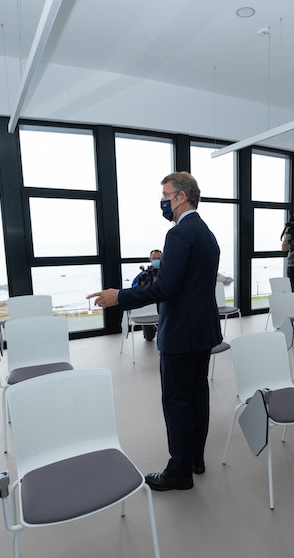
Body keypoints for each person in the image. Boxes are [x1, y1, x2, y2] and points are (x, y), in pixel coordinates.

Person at [87, 172, 222, 491]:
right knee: (198, 396)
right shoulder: (208, 234)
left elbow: (166, 288)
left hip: (180, 335)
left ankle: (179, 471)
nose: (162, 200)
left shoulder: (178, 235)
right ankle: (195, 458)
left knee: (176, 401)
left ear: (181, 197)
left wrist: (119, 296)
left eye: (165, 194)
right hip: (203, 331)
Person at [131, 249, 162, 341]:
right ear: (150, 259)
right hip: (148, 306)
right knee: (149, 337)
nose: (156, 260)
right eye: (154, 258)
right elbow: (134, 288)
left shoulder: (167, 273)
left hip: (163, 307)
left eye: (159, 258)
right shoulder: (143, 275)